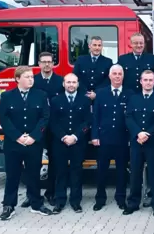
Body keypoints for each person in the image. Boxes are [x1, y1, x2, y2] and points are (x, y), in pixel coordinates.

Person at [0, 66, 53, 220]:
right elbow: (4, 119)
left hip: (33, 143)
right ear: (17, 79)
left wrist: (34, 137)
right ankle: (9, 205)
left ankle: (36, 203)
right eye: (27, 77)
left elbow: (45, 117)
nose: (31, 79)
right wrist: (17, 136)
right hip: (13, 144)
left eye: (32, 77)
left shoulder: (40, 95)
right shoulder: (7, 96)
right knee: (12, 175)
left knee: (34, 174)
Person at [21, 51, 64, 208]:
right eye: (43, 61)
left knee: (54, 162)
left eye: (49, 61)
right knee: (32, 163)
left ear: (53, 63)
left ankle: (50, 193)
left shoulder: (60, 81)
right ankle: (31, 195)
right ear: (38, 64)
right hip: (36, 128)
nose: (47, 64)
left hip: (55, 128)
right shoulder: (34, 81)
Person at [91, 64, 134, 211]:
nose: (117, 76)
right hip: (104, 139)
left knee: (122, 170)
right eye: (114, 74)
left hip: (122, 139)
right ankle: (100, 198)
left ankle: (120, 198)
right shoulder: (101, 93)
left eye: (119, 74)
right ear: (109, 76)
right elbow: (95, 116)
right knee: (101, 170)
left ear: (123, 76)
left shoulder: (130, 94)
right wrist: (95, 136)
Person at [49, 73, 91, 214]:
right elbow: (52, 122)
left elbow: (87, 122)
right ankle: (59, 201)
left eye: (74, 82)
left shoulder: (84, 101)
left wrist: (75, 136)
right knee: (60, 172)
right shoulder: (55, 101)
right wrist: (63, 137)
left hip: (77, 143)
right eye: (68, 82)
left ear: (78, 84)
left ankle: (75, 202)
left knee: (76, 172)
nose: (71, 85)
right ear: (63, 84)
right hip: (60, 143)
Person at [124, 70, 154, 217]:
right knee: (135, 174)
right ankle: (133, 203)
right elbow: (128, 117)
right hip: (136, 142)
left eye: (150, 80)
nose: (148, 82)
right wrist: (138, 133)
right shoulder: (133, 98)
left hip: (153, 142)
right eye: (145, 80)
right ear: (140, 81)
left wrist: (147, 133)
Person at [72, 36, 113, 100]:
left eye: (99, 45)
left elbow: (108, 81)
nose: (97, 48)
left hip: (100, 97)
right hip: (82, 96)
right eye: (94, 45)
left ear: (102, 47)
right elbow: (75, 77)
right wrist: (86, 92)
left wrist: (96, 93)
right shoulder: (80, 60)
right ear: (89, 46)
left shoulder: (108, 62)